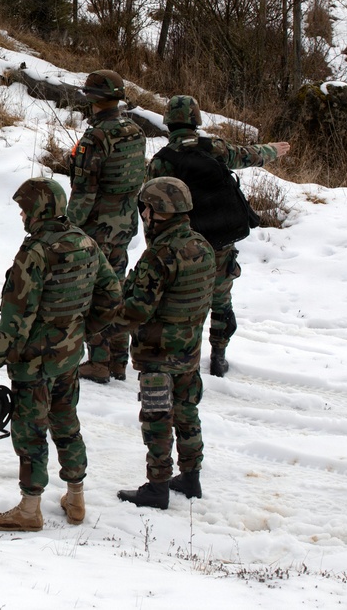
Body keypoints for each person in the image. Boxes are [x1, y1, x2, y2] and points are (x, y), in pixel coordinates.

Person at [0, 178, 121, 531]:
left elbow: (16, 318)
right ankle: (75, 499)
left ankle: (29, 510)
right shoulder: (86, 242)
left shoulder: (36, 251)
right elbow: (111, 292)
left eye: (25, 209)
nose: (22, 217)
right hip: (69, 356)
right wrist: (83, 330)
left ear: (40, 209)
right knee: (66, 422)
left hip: (34, 362)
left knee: (30, 432)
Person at [147, 95, 290, 377]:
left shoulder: (161, 162)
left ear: (168, 123)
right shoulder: (215, 148)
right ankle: (219, 356)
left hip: (182, 243)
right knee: (221, 299)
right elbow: (250, 154)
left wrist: (155, 247)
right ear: (195, 121)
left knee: (180, 300)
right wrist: (273, 150)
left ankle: (179, 355)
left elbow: (151, 208)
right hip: (219, 238)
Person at [114, 177, 215, 509]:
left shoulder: (160, 255)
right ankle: (191, 478)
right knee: (187, 413)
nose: (141, 213)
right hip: (188, 351)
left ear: (157, 212)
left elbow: (136, 309)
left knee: (157, 418)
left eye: (144, 207)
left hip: (158, 354)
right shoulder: (201, 246)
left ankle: (157, 487)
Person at [66, 69, 146, 385]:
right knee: (116, 289)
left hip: (96, 226)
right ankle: (117, 361)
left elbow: (84, 190)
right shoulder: (135, 132)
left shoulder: (96, 137)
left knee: (91, 293)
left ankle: (98, 362)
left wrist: (68, 228)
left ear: (93, 99)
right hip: (124, 223)